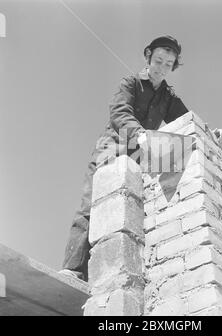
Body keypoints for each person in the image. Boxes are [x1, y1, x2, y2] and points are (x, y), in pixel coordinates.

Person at [59, 35, 189, 281]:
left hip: (138, 158)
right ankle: (73, 269)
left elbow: (186, 120)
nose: (162, 67)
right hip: (112, 147)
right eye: (158, 60)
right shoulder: (130, 83)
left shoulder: (168, 98)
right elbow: (120, 112)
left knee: (130, 211)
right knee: (92, 205)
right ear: (148, 56)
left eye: (168, 64)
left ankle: (109, 275)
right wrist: (139, 134)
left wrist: (209, 133)